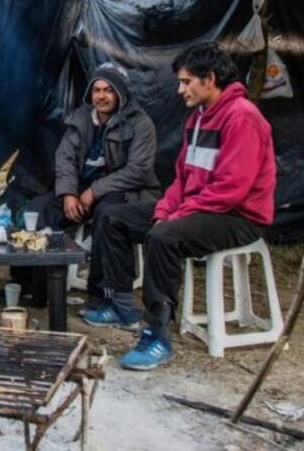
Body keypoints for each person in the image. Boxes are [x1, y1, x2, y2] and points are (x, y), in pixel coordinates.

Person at [82, 42, 275, 372]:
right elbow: (182, 179)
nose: (180, 89)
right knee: (112, 216)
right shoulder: (198, 118)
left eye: (186, 81)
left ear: (209, 78)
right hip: (198, 208)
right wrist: (164, 211)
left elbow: (231, 189)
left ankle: (158, 334)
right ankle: (120, 303)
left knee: (164, 237)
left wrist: (174, 217)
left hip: (237, 216)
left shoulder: (242, 118)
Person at [18, 62, 159, 302]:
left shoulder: (140, 123)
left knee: (109, 214)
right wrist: (68, 194)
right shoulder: (81, 118)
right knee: (37, 209)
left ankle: (102, 294)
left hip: (126, 191)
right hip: (82, 190)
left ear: (121, 93)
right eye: (97, 90)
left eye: (109, 90)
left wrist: (95, 191)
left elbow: (139, 171)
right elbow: (64, 159)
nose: (101, 96)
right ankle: (35, 288)